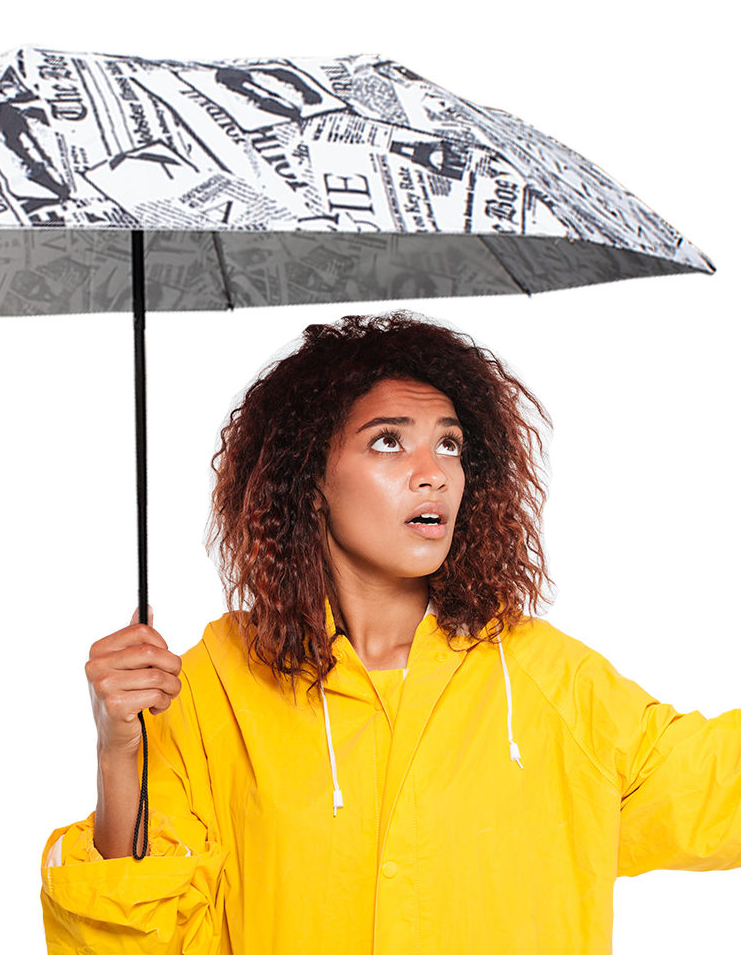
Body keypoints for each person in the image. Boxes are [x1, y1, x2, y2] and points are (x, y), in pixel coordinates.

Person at [40, 312, 740, 955]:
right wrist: (119, 753)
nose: (431, 473)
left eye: (450, 444)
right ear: (310, 477)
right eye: (388, 442)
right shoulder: (217, 687)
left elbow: (712, 789)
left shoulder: (546, 681)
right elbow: (134, 942)